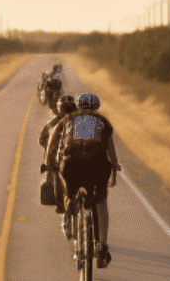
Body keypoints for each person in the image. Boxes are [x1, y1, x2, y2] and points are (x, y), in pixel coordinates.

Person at [46, 92, 121, 269]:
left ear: (79, 106)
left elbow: (53, 143)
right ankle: (102, 247)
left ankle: (70, 199)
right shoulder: (103, 121)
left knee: (67, 183)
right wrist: (115, 168)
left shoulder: (69, 119)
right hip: (97, 165)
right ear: (97, 107)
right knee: (101, 200)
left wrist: (48, 164)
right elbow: (111, 150)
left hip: (72, 164)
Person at [38, 94, 77, 213]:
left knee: (56, 174)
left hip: (61, 159)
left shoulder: (52, 125)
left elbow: (43, 141)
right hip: (79, 157)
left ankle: (60, 205)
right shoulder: (80, 121)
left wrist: (48, 162)